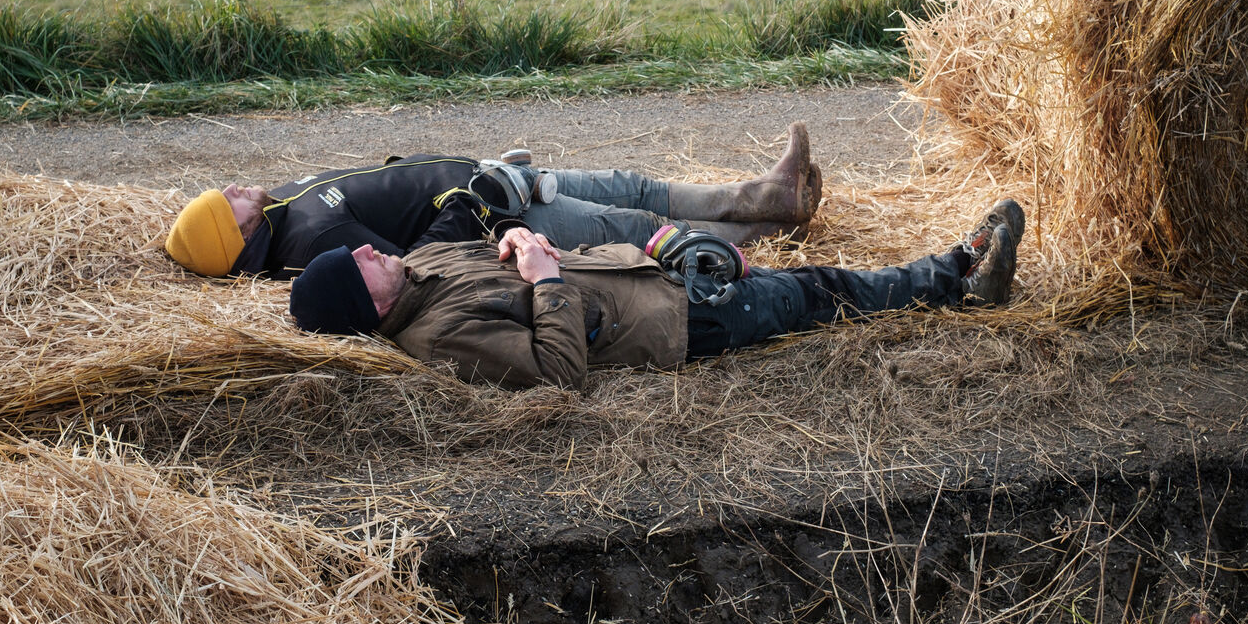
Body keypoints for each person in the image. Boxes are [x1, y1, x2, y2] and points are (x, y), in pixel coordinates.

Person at [287, 199, 1025, 390]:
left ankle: (954, 273)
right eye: (358, 264)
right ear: (366, 307)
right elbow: (556, 373)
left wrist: (515, 236)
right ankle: (960, 277)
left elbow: (498, 241)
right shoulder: (439, 338)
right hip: (673, 324)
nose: (367, 248)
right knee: (816, 291)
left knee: (814, 283)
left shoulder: (421, 264)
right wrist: (545, 280)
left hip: (644, 270)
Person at [166, 123, 822, 280]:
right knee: (637, 225)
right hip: (504, 217)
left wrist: (481, 174)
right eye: (226, 205)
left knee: (630, 182)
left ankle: (764, 194)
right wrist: (474, 202)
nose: (233, 190)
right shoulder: (308, 245)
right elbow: (419, 268)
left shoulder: (281, 205)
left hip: (493, 179)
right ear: (237, 239)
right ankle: (767, 226)